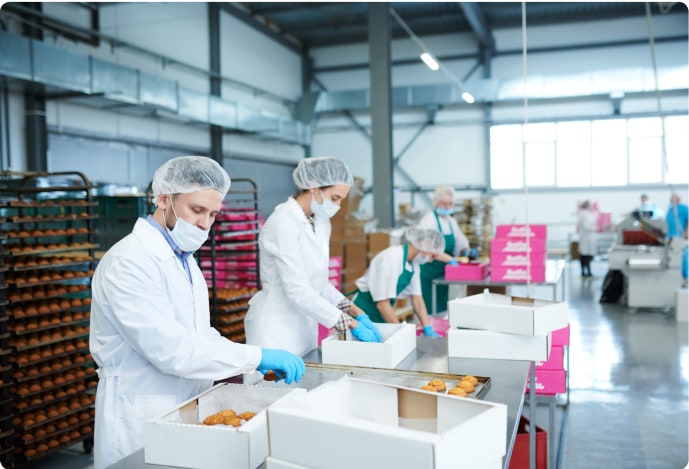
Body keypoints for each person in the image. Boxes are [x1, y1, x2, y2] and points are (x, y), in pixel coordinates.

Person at [89, 156, 305, 468]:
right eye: (197, 210)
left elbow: (199, 335)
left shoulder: (184, 258)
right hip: (138, 411)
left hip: (182, 404)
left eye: (213, 213)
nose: (205, 223)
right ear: (164, 199)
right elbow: (171, 349)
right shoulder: (128, 262)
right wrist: (255, 356)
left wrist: (249, 362)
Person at [244, 156, 381, 357]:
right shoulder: (283, 223)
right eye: (335, 198)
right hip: (276, 328)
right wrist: (349, 324)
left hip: (304, 327)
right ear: (314, 187)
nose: (339, 206)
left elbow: (320, 283)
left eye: (342, 200)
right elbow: (297, 289)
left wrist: (355, 311)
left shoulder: (321, 221)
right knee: (274, 386)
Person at [352, 227, 445, 337]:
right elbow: (382, 304)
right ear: (424, 245)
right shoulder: (391, 258)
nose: (430, 260)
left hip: (381, 312)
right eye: (432, 256)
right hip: (364, 310)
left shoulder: (413, 263)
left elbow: (417, 298)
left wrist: (427, 327)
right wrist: (401, 333)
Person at [416, 186, 476, 314]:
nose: (448, 207)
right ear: (436, 203)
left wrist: (466, 251)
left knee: (442, 308)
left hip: (444, 273)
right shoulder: (428, 221)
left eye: (450, 204)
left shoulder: (451, 222)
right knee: (428, 310)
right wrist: (450, 259)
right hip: (428, 272)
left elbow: (460, 244)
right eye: (444, 204)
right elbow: (428, 249)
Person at [577, 200, 598, 277]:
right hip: (587, 237)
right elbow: (586, 226)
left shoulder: (584, 213)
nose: (591, 207)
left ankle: (587, 272)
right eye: (590, 206)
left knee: (585, 255)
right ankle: (586, 272)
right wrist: (595, 229)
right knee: (585, 255)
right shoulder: (585, 214)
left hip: (586, 237)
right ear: (587, 206)